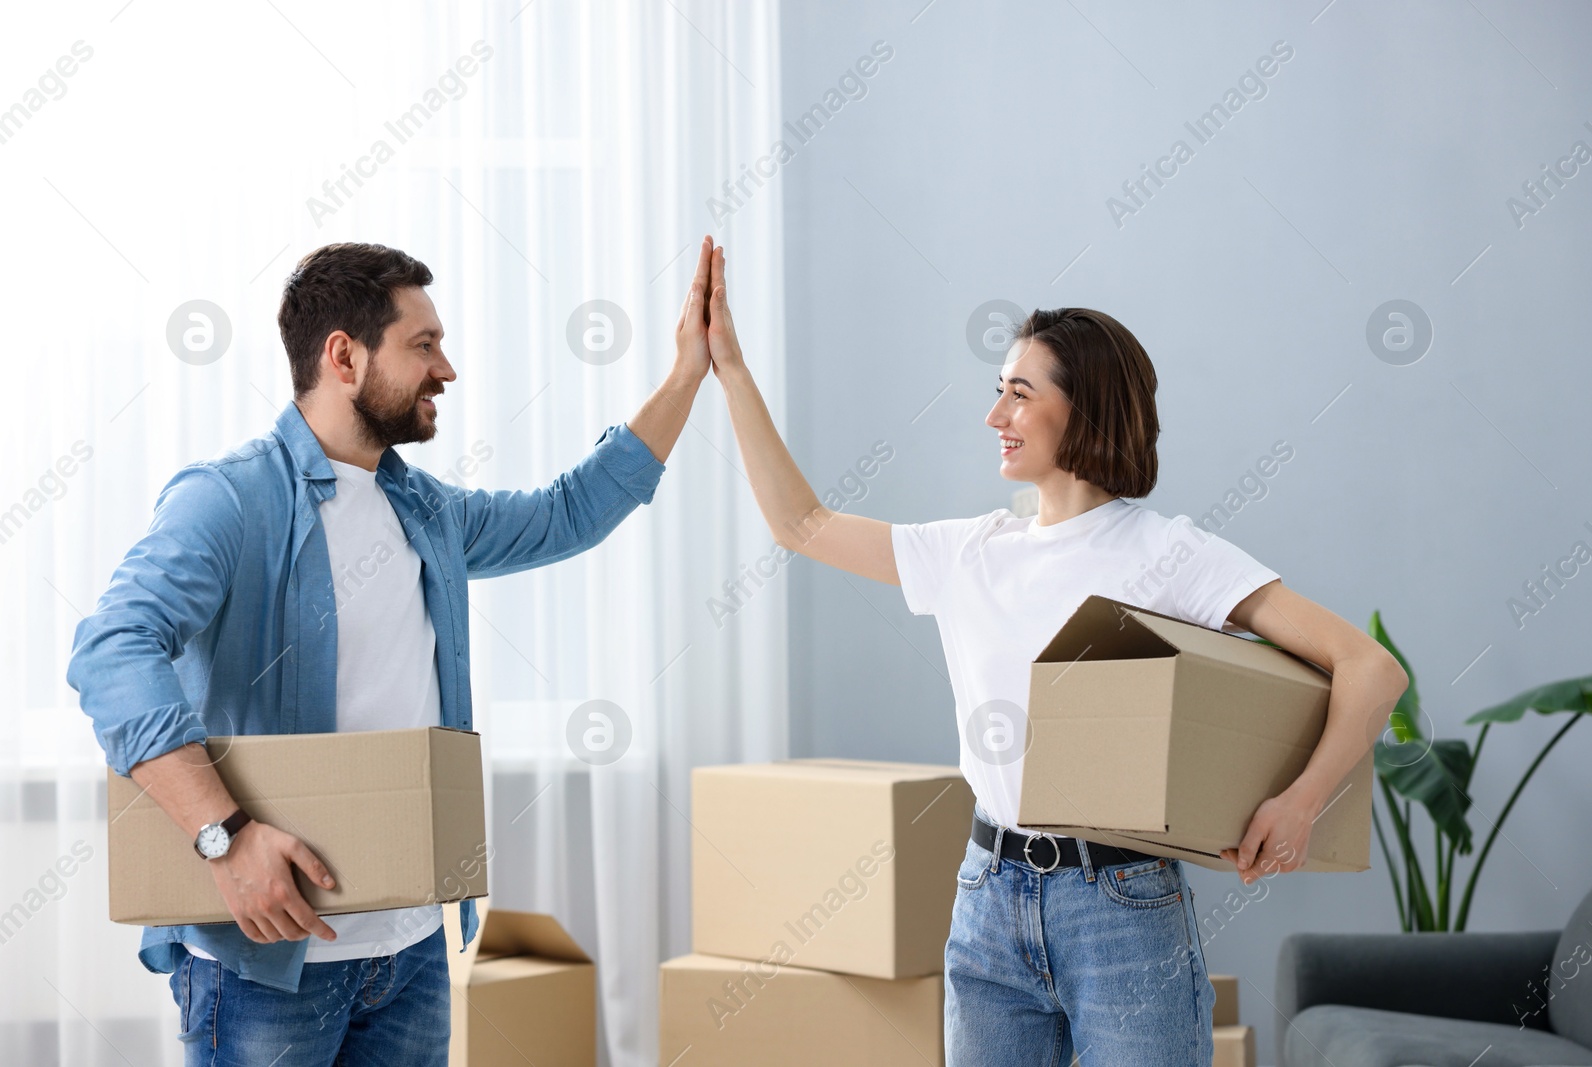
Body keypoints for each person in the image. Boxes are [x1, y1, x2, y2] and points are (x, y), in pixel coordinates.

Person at [699, 244, 1409, 1065]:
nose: (995, 415)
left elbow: (1371, 668)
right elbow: (802, 525)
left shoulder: (1166, 552)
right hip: (987, 890)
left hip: (1121, 902)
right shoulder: (968, 553)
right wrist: (732, 369)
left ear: (1085, 410)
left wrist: (1299, 804)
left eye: (1019, 394)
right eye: (996, 392)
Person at [66, 236, 721, 1064]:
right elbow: (112, 650)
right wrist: (223, 835)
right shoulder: (230, 500)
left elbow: (568, 511)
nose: (445, 369)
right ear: (343, 355)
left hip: (410, 950)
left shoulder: (423, 509)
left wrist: (687, 373)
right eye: (423, 345)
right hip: (271, 963)